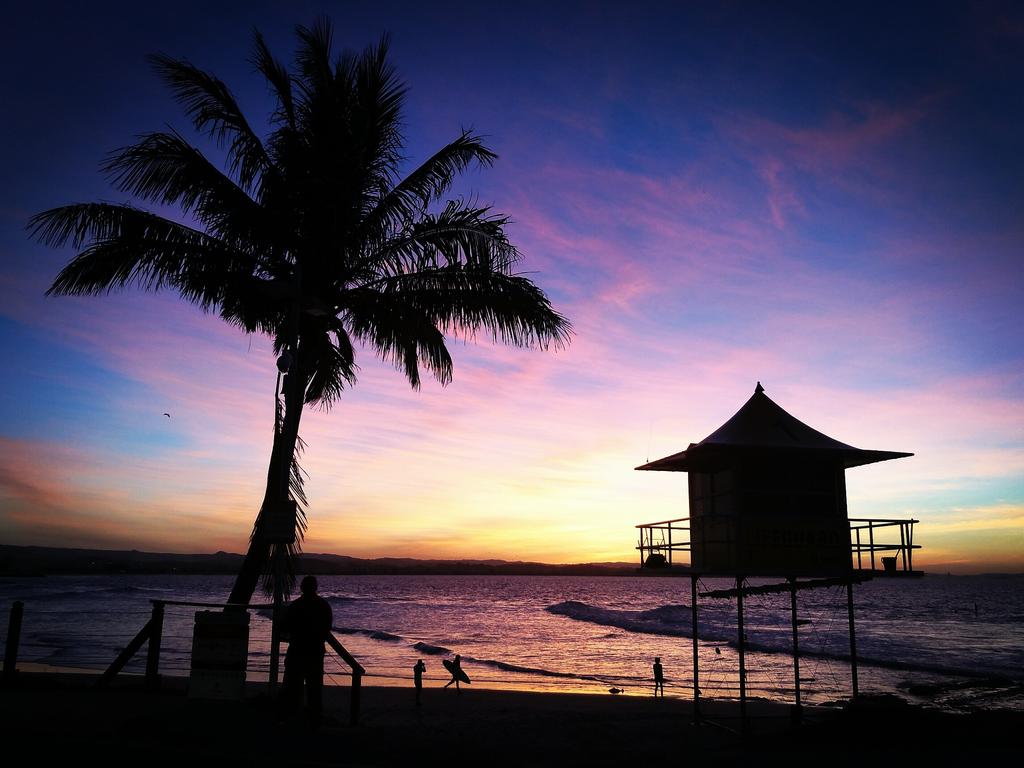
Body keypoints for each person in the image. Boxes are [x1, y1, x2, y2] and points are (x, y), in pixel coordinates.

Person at [278, 575, 333, 726]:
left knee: (294, 685)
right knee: (314, 687)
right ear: (315, 587)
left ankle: (295, 717)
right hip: (315, 651)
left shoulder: (295, 606)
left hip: (297, 649)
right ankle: (314, 718)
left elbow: (284, 626)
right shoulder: (323, 605)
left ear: (302, 588)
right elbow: (327, 627)